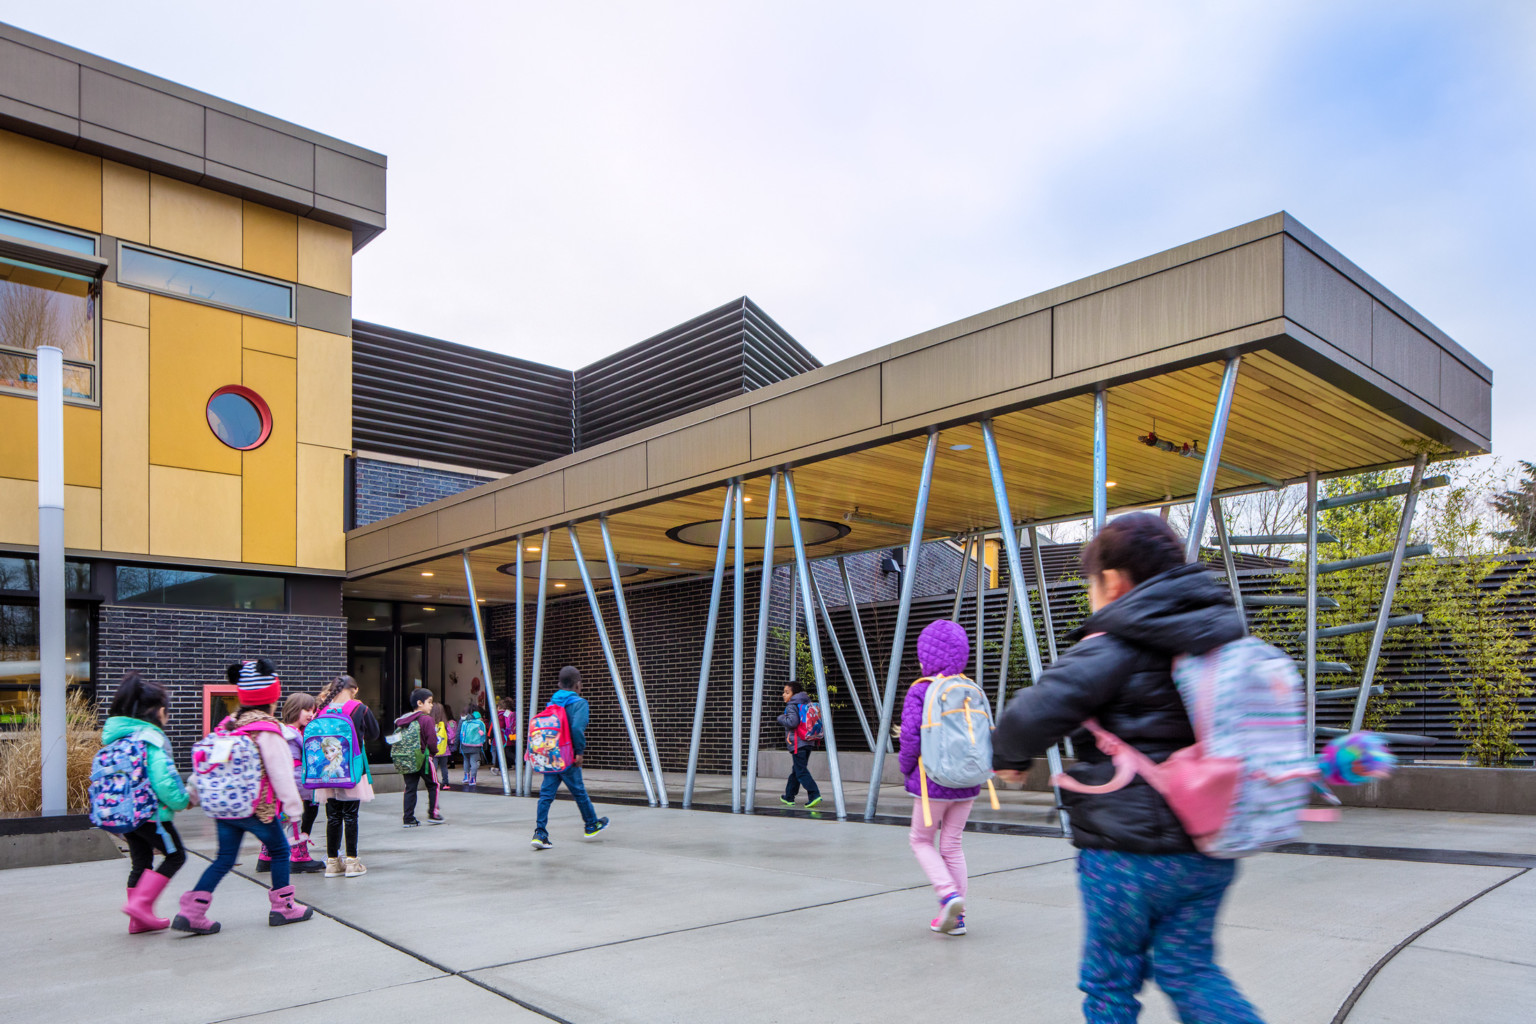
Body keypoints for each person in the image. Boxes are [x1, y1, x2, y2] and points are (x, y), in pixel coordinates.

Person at [991, 513, 1264, 1024]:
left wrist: (1008, 758)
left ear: (1113, 582)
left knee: (1110, 982)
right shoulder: (1219, 643)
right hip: (1208, 847)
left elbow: (1027, 717)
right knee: (1192, 971)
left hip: (1125, 857)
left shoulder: (1113, 646)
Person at [173, 659, 312, 934]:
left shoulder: (228, 725)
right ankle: (284, 908)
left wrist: (192, 795)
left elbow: (209, 764)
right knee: (281, 850)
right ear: (272, 698)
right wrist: (295, 809)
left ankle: (192, 911)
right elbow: (282, 773)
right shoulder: (268, 730)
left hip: (225, 807)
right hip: (256, 808)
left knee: (224, 859)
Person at [899, 619, 980, 936]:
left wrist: (906, 769)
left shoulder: (921, 690)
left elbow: (910, 739)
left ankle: (947, 895)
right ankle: (956, 919)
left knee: (920, 840)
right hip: (968, 781)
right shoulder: (971, 689)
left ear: (926, 657)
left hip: (933, 781)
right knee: (952, 845)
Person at [97, 671, 190, 933]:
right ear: (158, 712)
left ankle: (137, 921)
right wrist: (182, 801)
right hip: (151, 816)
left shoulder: (116, 739)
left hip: (124, 815)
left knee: (140, 862)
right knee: (176, 856)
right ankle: (141, 906)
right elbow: (164, 781)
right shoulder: (151, 739)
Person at [530, 666, 609, 849]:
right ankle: (591, 824)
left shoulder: (553, 702)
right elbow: (576, 729)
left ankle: (539, 832)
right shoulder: (580, 703)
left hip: (551, 755)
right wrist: (579, 751)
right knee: (579, 791)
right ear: (578, 684)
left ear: (559, 684)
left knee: (546, 795)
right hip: (568, 756)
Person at [313, 675, 379, 877]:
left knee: (332, 817)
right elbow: (375, 733)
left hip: (327, 773)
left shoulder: (323, 710)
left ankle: (332, 862)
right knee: (351, 816)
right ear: (355, 689)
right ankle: (352, 862)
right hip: (350, 769)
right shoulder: (359, 708)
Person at [258, 692, 322, 875]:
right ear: (295, 710)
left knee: (282, 819)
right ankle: (299, 857)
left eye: (312, 710)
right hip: (295, 781)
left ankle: (266, 856)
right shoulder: (292, 733)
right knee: (294, 818)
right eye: (306, 710)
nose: (311, 714)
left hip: (284, 781)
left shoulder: (284, 731)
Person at [395, 688, 445, 827]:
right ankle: (434, 814)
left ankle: (408, 818)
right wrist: (433, 753)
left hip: (407, 758)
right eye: (429, 702)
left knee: (410, 788)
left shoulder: (403, 720)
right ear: (420, 703)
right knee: (434, 785)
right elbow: (432, 741)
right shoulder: (426, 720)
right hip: (423, 757)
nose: (431, 705)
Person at [776, 681, 822, 808]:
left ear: (794, 694)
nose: (783, 695)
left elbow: (793, 722)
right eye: (784, 692)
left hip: (797, 743)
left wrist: (780, 718)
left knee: (800, 770)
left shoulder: (792, 705)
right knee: (796, 770)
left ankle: (814, 794)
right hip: (808, 741)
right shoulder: (806, 703)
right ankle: (789, 796)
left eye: (787, 692)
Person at [459, 707, 487, 787]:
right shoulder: (481, 723)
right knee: (473, 762)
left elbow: (461, 735)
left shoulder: (465, 722)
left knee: (466, 761)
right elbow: (483, 736)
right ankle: (473, 779)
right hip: (476, 745)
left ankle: (466, 776)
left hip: (465, 745)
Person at [430, 702, 452, 791]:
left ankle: (434, 782)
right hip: (444, 750)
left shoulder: (430, 723)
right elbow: (451, 736)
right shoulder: (446, 724)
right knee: (444, 767)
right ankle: (446, 783)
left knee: (433, 767)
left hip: (433, 750)